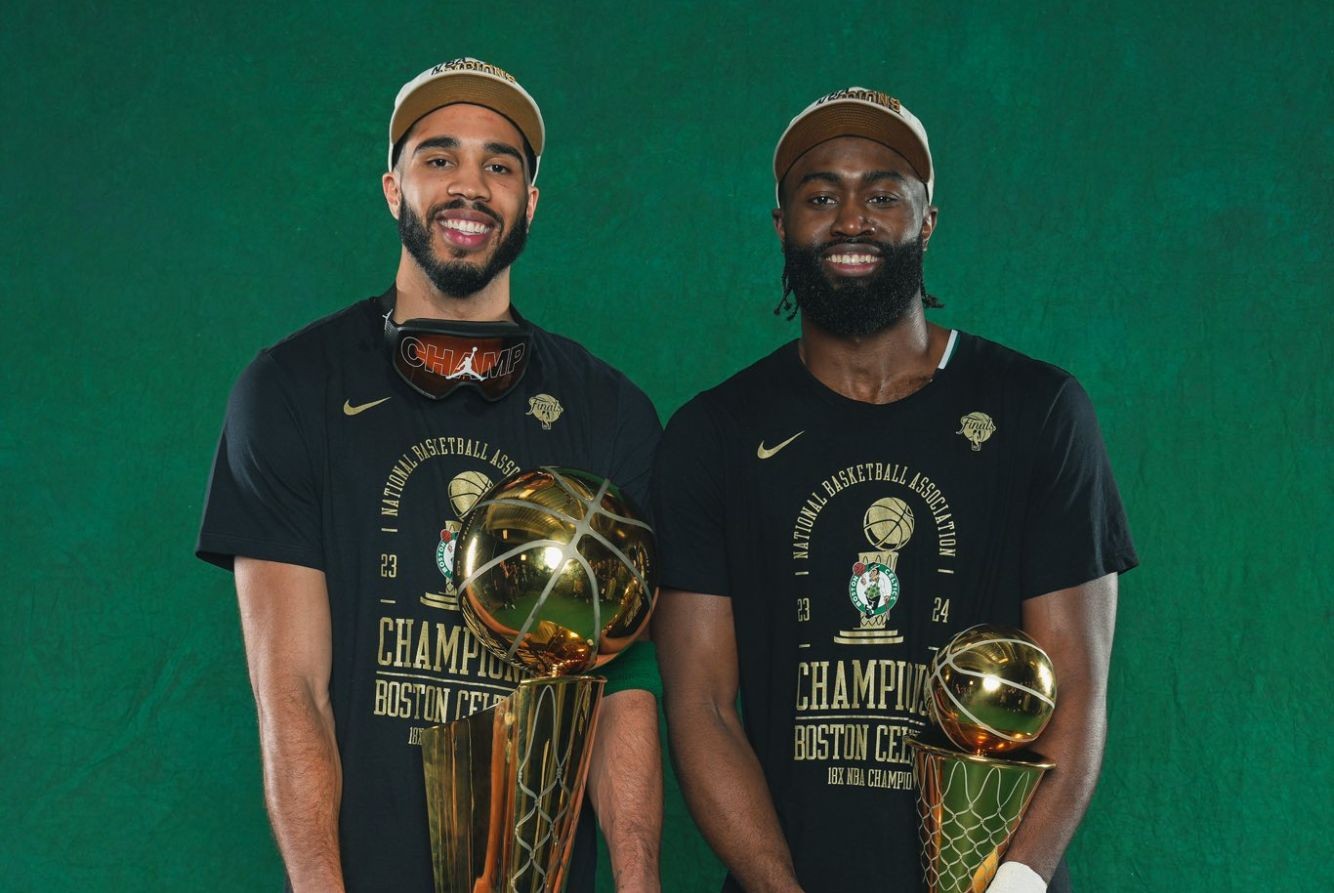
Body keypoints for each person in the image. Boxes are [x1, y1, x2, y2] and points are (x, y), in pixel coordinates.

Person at [652, 87, 1137, 893]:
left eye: (882, 195)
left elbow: (1076, 686)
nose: (851, 219)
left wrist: (1016, 883)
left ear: (927, 221)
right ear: (781, 225)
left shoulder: (1038, 409)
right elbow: (703, 705)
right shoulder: (715, 432)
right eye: (820, 197)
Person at [197, 57, 662, 893]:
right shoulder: (292, 387)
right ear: (393, 188)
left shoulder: (610, 410)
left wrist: (638, 882)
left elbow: (620, 686)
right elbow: (292, 689)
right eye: (439, 157)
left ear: (530, 202)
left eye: (500, 165)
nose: (469, 186)